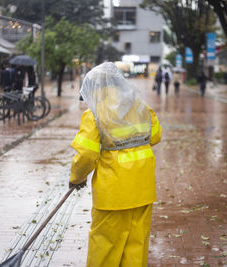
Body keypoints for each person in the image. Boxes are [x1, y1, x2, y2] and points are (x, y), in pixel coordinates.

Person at [69, 62, 162, 266]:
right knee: (136, 249)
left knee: (105, 250)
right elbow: (155, 136)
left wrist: (76, 178)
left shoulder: (95, 114)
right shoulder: (140, 107)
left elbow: (86, 155)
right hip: (143, 190)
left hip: (113, 195)